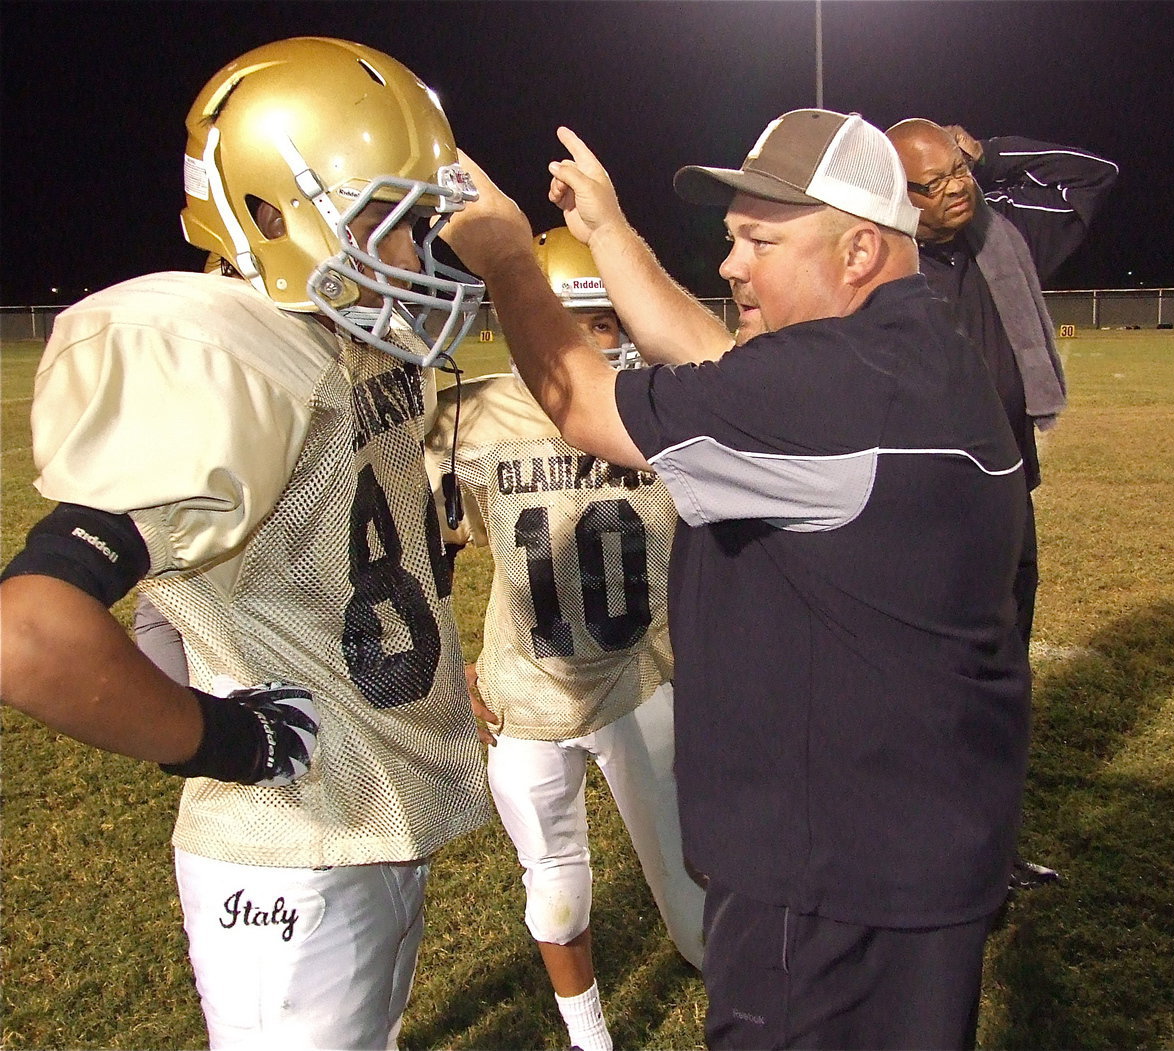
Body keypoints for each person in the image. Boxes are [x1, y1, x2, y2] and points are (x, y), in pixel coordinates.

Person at [439, 109, 1033, 1049]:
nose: (731, 265)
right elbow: (721, 362)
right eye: (730, 239)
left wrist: (510, 258)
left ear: (859, 251)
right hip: (918, 839)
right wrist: (608, 232)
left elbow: (588, 407)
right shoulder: (913, 348)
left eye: (760, 240)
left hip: (830, 876)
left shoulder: (830, 392)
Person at [0, 37, 491, 1050]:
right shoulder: (216, 348)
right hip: (288, 846)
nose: (408, 260)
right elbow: (29, 632)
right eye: (377, 224)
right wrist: (225, 737)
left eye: (414, 226)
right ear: (268, 213)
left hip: (369, 806)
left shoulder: (335, 328)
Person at [424, 227, 705, 1051]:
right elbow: (430, 551)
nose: (587, 344)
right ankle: (588, 1036)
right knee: (554, 885)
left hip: (641, 679)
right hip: (533, 688)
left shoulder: (665, 400)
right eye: (568, 321)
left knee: (693, 913)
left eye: (605, 323)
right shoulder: (467, 417)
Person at [885, 119, 1118, 890]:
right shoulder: (872, 262)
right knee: (923, 685)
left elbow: (1092, 171)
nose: (956, 190)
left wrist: (988, 149)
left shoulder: (1002, 238)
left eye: (960, 172)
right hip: (916, 512)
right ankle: (919, 850)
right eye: (933, 182)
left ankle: (991, 850)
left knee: (1003, 679)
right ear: (893, 192)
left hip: (1009, 494)